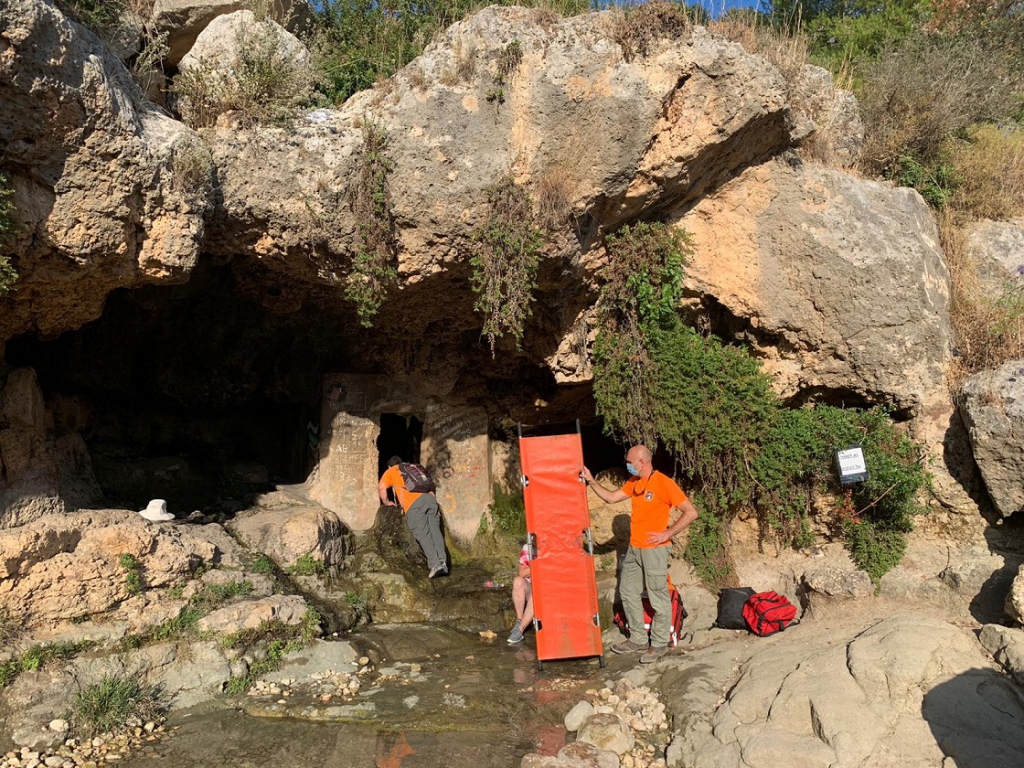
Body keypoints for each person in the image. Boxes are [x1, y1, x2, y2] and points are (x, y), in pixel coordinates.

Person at [582, 445, 698, 664]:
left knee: (657, 595)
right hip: (635, 549)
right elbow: (612, 498)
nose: (627, 465)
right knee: (627, 591)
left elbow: (691, 512)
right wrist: (591, 480)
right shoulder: (635, 482)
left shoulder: (664, 483)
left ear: (642, 462)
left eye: (630, 461)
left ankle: (659, 643)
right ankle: (637, 639)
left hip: (655, 549)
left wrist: (668, 532)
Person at [378, 456, 448, 578]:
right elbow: (431, 485)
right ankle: (443, 562)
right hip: (430, 500)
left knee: (422, 533)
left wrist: (386, 502)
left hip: (414, 504)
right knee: (435, 531)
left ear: (390, 466)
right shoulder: (413, 468)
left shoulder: (392, 471)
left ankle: (435, 565)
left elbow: (381, 487)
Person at [507, 542, 534, 644]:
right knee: (517, 581)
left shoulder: (552, 548)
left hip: (545, 589)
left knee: (536, 595)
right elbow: (522, 573)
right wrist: (538, 565)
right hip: (531, 585)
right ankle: (519, 620)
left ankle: (520, 630)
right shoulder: (528, 548)